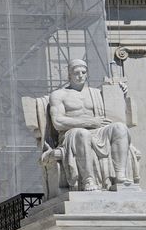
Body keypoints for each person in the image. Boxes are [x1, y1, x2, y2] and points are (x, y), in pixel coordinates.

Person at [44, 59, 135, 191]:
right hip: (71, 133)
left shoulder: (97, 93)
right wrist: (90, 122)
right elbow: (58, 122)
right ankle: (88, 180)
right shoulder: (59, 95)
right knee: (82, 133)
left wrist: (121, 92)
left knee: (120, 128)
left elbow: (118, 112)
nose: (80, 75)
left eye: (83, 72)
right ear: (69, 75)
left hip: (98, 131)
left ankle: (120, 175)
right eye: (76, 72)